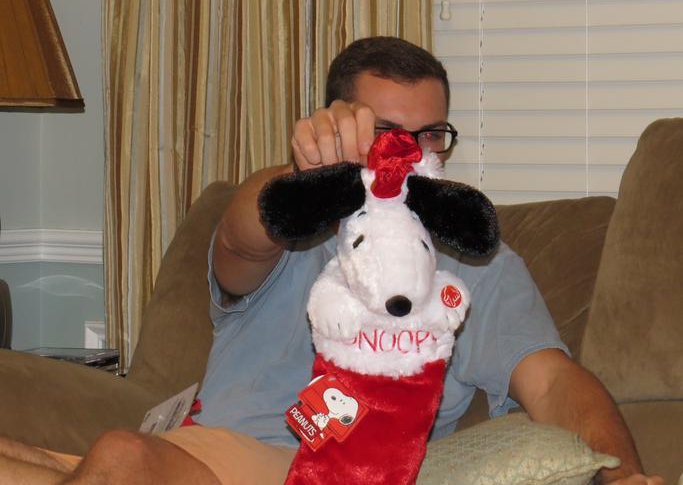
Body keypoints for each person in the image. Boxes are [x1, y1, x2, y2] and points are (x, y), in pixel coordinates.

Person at [0, 37, 663, 485]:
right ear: (338, 123)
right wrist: (305, 176)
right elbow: (241, 239)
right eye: (387, 133)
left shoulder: (475, 260)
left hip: (311, 466)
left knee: (118, 456)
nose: (413, 153)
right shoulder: (293, 225)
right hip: (195, 453)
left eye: (431, 134)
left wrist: (624, 476)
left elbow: (553, 382)